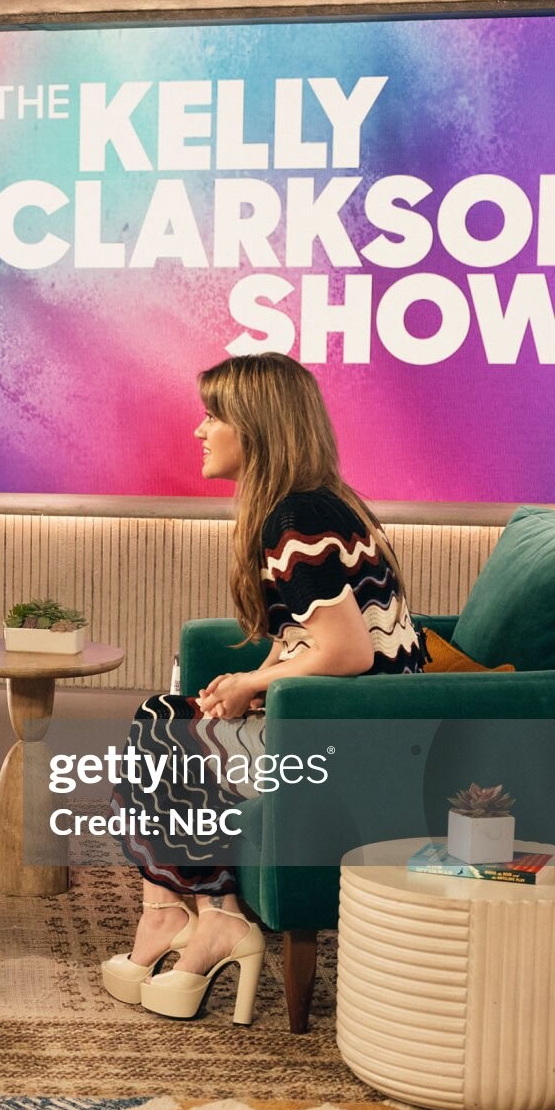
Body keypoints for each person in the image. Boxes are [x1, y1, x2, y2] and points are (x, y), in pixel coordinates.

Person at [100, 352, 424, 1024]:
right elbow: (303, 635)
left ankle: (200, 918)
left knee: (162, 727)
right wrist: (251, 682)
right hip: (345, 719)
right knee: (172, 718)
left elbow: (348, 650)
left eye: (213, 416)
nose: (200, 430)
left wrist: (257, 680)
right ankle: (183, 914)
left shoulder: (296, 519)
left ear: (255, 427)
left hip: (358, 739)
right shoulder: (315, 505)